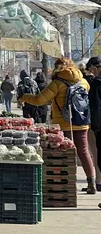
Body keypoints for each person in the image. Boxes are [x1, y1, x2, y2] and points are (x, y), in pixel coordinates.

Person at [22, 57, 95, 194]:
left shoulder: (57, 83)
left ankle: (66, 184)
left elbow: (39, 100)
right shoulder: (83, 81)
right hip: (82, 121)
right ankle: (91, 183)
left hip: (64, 123)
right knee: (84, 151)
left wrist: (24, 97)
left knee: (65, 153)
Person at [84, 57, 101, 196]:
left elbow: (95, 106)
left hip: (98, 125)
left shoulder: (95, 84)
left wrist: (94, 125)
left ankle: (99, 182)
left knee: (98, 154)